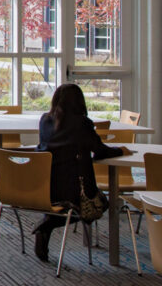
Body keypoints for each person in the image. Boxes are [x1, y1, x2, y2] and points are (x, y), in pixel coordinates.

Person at [32, 83, 128, 262]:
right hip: (75, 190)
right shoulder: (81, 124)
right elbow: (100, 150)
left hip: (45, 187)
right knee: (101, 204)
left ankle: (49, 222)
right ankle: (48, 224)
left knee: (63, 205)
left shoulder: (45, 120)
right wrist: (121, 150)